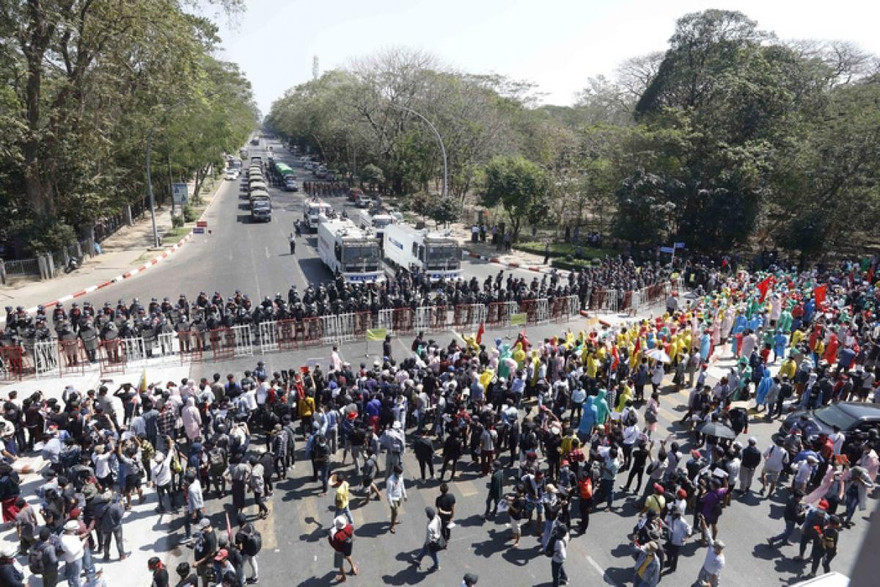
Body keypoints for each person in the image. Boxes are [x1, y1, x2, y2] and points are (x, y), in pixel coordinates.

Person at [694, 516, 725, 587]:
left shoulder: (721, 560)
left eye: (715, 547)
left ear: (719, 549)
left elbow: (716, 574)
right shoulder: (712, 545)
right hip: (704, 569)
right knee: (699, 581)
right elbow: (707, 531)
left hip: (710, 575)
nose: (713, 546)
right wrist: (703, 520)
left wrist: (710, 583)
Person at [328, 515, 358, 582]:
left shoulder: (336, 535)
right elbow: (351, 535)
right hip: (347, 547)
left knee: (340, 565)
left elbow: (334, 545)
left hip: (339, 550)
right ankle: (353, 567)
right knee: (348, 556)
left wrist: (330, 538)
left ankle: (344, 578)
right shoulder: (349, 527)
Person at [412, 507, 443, 572]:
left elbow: (429, 537)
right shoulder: (437, 517)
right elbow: (440, 526)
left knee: (433, 554)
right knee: (424, 549)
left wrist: (427, 543)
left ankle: (436, 566)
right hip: (438, 536)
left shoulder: (430, 526)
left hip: (432, 542)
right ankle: (418, 558)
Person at [60, 519, 85, 587]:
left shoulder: (63, 533)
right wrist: (82, 543)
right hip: (75, 559)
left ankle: (71, 584)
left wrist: (78, 537)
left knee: (71, 574)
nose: (76, 530)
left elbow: (73, 538)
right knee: (76, 576)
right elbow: (73, 552)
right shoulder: (65, 540)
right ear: (71, 530)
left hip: (70, 559)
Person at [386, 464, 407, 533]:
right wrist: (391, 503)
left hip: (399, 496)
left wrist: (405, 494)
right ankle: (392, 526)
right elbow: (388, 493)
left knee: (395, 512)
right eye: (399, 473)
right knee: (395, 512)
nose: (400, 475)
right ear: (395, 472)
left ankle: (394, 520)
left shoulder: (400, 476)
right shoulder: (390, 481)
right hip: (393, 498)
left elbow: (402, 485)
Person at [549, 522, 569, 587]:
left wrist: (556, 553)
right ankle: (564, 577)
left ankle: (555, 585)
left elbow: (563, 556)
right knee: (560, 566)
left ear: (561, 533)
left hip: (557, 560)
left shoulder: (558, 542)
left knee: (555, 575)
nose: (556, 531)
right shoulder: (566, 536)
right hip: (559, 561)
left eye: (558, 531)